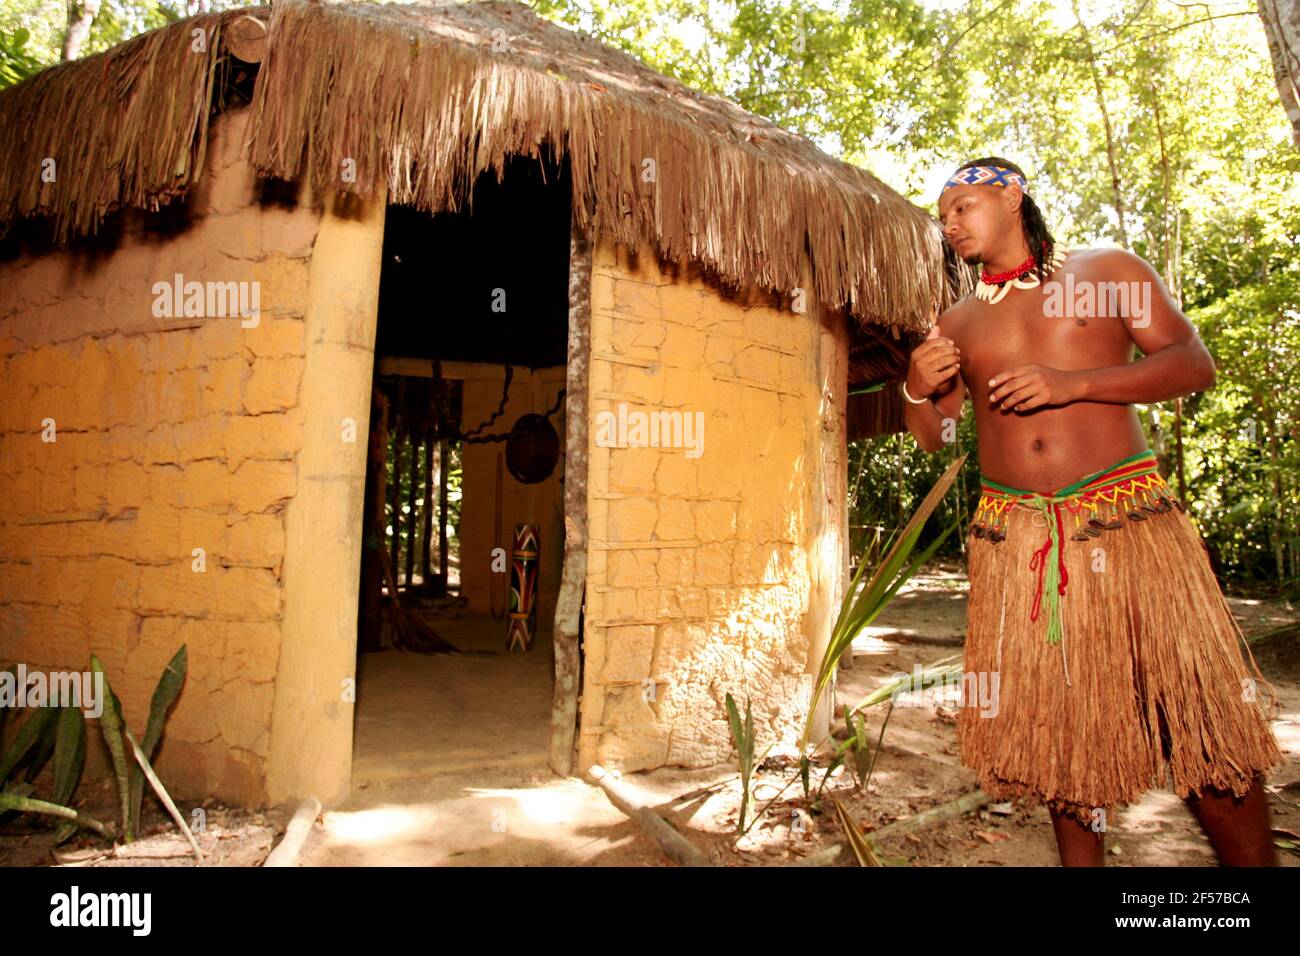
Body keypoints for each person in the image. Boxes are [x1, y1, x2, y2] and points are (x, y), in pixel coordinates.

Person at [902, 157, 1283, 866]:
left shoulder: (1107, 271)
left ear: (1011, 194)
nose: (950, 222)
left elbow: (1191, 363)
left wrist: (1071, 384)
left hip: (1128, 524)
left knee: (1196, 718)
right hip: (1019, 544)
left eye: (963, 204)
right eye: (943, 214)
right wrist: (918, 391)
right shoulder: (954, 322)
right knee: (1065, 733)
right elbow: (941, 436)